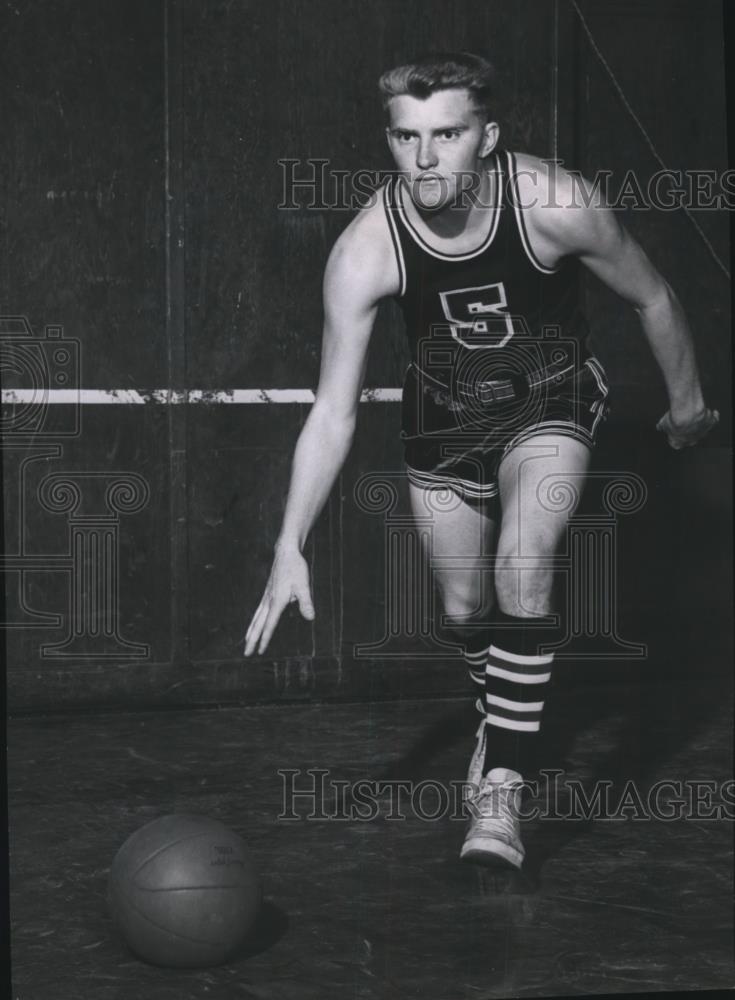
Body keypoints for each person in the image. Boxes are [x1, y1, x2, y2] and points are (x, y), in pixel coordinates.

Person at [244, 52, 718, 871]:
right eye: (406, 138)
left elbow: (652, 297)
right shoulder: (367, 248)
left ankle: (502, 785)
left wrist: (684, 406)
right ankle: (497, 718)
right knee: (467, 610)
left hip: (551, 398)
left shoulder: (554, 202)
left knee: (523, 564)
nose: (425, 160)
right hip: (443, 419)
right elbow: (332, 407)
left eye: (448, 135)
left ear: (486, 137)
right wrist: (290, 541)